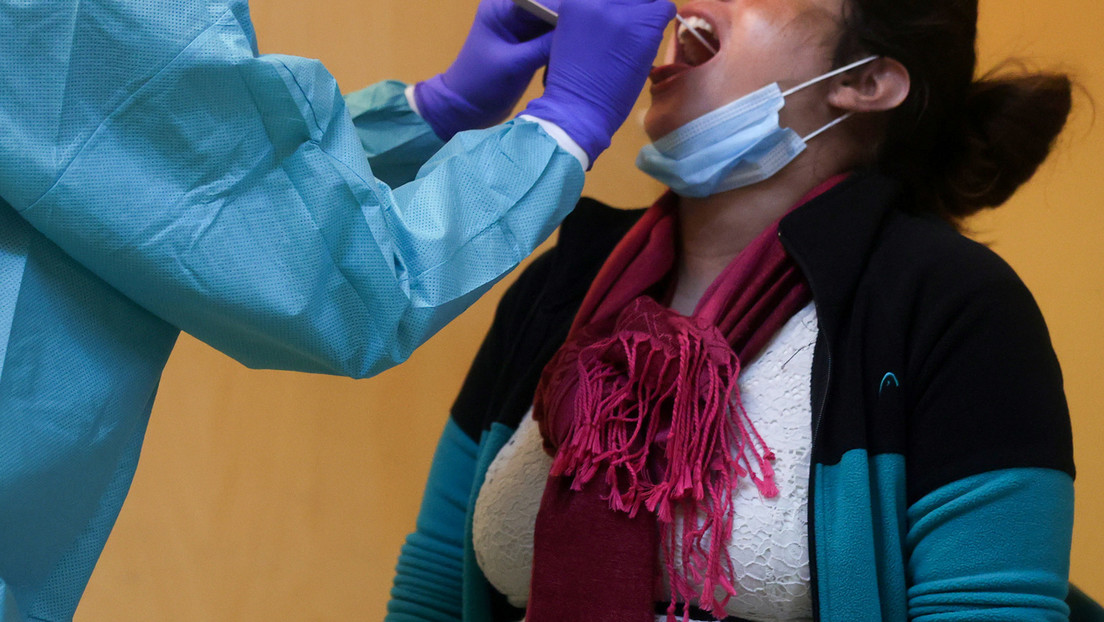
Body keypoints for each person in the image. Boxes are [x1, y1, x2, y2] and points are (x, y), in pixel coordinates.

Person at [387, 0, 1089, 620]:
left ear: (864, 82)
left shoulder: (953, 307)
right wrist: (440, 106)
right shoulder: (562, 283)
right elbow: (433, 591)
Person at [0, 0, 679, 618]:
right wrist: (562, 129)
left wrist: (430, 114)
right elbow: (340, 283)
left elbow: (172, 169)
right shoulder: (564, 289)